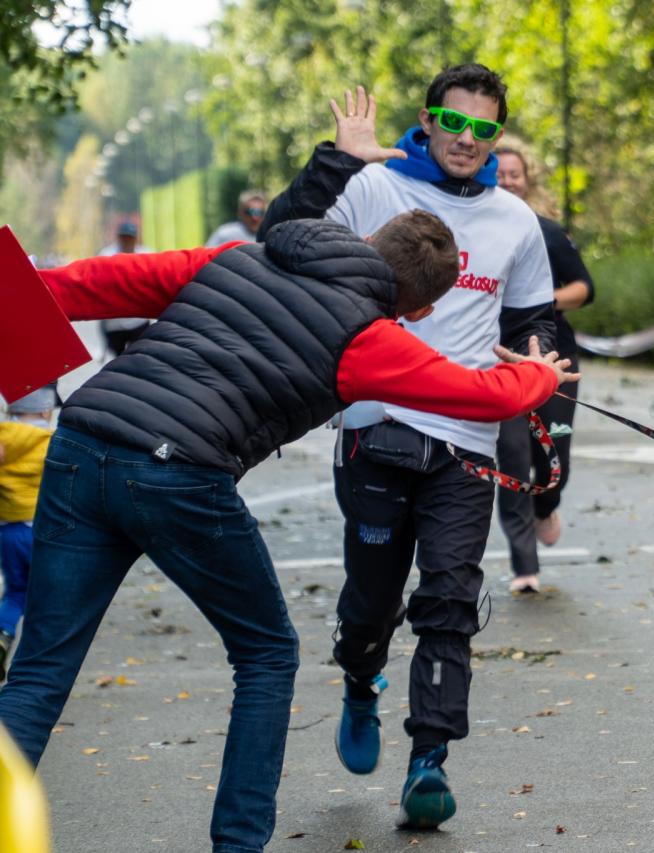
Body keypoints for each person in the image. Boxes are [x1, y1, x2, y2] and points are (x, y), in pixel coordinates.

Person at [0, 212, 576, 853]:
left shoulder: (234, 259)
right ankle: (239, 845)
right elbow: (481, 395)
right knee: (267, 654)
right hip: (180, 474)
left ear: (365, 241)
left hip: (81, 443)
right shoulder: (372, 338)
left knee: (39, 673)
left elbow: (81, 285)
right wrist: (541, 376)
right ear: (418, 313)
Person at [257, 67, 557, 830]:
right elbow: (277, 238)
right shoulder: (372, 186)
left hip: (466, 439)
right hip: (375, 428)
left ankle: (429, 759)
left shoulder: (515, 221)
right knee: (371, 605)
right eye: (455, 123)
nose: (468, 139)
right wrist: (339, 157)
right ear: (426, 121)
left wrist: (536, 361)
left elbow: (535, 321)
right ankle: (361, 679)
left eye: (486, 129)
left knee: (450, 596)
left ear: (499, 134)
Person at [494, 140, 594, 594]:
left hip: (555, 358)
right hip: (498, 361)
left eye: (514, 173)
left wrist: (538, 300)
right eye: (499, 172)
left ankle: (545, 505)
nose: (506, 180)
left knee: (556, 456)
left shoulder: (547, 231)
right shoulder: (473, 230)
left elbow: (583, 288)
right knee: (512, 459)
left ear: (527, 179)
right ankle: (524, 566)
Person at [0, 385, 56, 683]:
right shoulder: (50, 442)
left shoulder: (2, 442)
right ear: (46, 411)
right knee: (47, 596)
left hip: (7, 532)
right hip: (40, 532)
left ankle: (2, 636)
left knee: (16, 593)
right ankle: (35, 661)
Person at [97, 220, 153, 358]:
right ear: (119, 238)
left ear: (136, 238)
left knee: (139, 358)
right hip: (114, 323)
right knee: (119, 358)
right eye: (124, 237)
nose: (127, 241)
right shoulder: (106, 255)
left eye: (130, 237)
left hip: (139, 321)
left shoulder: (148, 255)